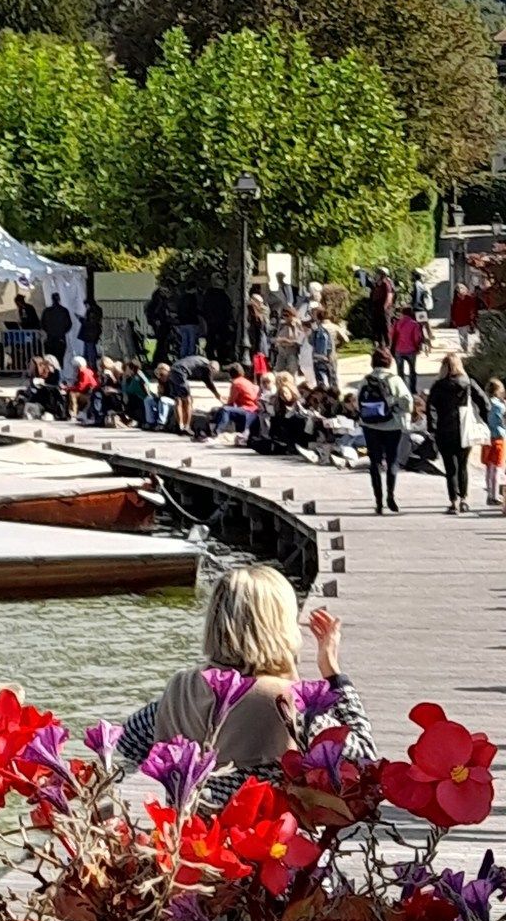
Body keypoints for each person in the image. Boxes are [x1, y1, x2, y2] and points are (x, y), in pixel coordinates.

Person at [116, 566, 376, 809]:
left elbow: (126, 748)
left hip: (190, 845)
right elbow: (364, 757)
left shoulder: (180, 692)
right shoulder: (289, 704)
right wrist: (333, 673)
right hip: (273, 847)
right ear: (281, 627)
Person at [427, 349, 490, 514]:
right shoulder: (468, 383)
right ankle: (464, 499)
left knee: (450, 468)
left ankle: (453, 501)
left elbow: (431, 407)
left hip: (444, 428)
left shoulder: (438, 386)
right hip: (464, 427)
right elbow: (484, 402)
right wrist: (483, 418)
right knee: (463, 466)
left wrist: (432, 427)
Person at [355, 345, 412, 515]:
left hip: (370, 425)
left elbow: (359, 401)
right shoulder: (395, 380)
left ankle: (378, 500)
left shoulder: (366, 380)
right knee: (392, 460)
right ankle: (391, 495)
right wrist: (393, 402)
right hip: (392, 424)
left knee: (375, 462)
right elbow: (407, 404)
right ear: (389, 362)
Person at [214, 363, 261, 440]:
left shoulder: (236, 383)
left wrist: (223, 402)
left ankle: (217, 432)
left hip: (248, 409)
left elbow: (231, 402)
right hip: (253, 410)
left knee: (225, 410)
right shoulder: (246, 381)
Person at [390, 305, 430, 395]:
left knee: (400, 371)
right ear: (411, 313)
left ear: (402, 313)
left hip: (399, 350)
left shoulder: (397, 323)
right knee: (412, 371)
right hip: (411, 350)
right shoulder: (414, 324)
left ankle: (402, 389)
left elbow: (392, 335)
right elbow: (417, 338)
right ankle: (412, 389)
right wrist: (417, 347)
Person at [483, 377, 506, 508]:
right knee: (497, 467)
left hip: (486, 437)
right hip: (498, 437)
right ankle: (495, 495)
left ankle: (489, 494)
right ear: (498, 390)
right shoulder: (499, 405)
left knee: (488, 467)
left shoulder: (485, 403)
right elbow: (502, 421)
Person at [202, 279, 234, 366]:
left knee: (211, 340)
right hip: (222, 321)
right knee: (222, 341)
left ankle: (210, 357)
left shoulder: (208, 295)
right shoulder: (224, 295)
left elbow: (204, 308)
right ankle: (222, 358)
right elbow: (228, 309)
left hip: (211, 321)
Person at [307, 307, 338, 394]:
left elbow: (319, 346)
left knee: (322, 383)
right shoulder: (328, 327)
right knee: (333, 381)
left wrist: (318, 357)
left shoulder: (321, 330)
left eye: (313, 314)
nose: (311, 316)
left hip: (322, 360)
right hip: (331, 358)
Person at [145, 282, 174, 366]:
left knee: (162, 342)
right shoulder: (158, 300)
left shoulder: (157, 299)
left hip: (160, 323)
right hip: (161, 324)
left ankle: (160, 359)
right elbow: (158, 311)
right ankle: (159, 359)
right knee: (162, 342)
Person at [369, 266, 395, 355]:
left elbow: (389, 296)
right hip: (377, 308)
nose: (376, 275)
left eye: (378, 273)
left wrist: (384, 307)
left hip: (384, 310)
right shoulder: (377, 283)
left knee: (386, 328)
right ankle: (381, 346)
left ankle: (389, 346)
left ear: (382, 274)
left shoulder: (386, 283)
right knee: (378, 328)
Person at [39, 293, 72, 364]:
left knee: (50, 360)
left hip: (50, 338)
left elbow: (42, 324)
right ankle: (59, 373)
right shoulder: (64, 310)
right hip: (60, 338)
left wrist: (48, 331)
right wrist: (62, 332)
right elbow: (69, 324)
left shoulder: (47, 311)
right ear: (59, 299)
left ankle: (52, 373)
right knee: (59, 360)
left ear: (52, 299)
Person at [450, 280, 481, 357]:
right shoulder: (456, 299)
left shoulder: (469, 298)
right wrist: (453, 319)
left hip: (467, 319)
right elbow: (453, 309)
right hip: (459, 319)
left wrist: (473, 317)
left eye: (461, 289)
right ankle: (463, 346)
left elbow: (473, 308)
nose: (460, 292)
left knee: (466, 334)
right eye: (458, 290)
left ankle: (466, 347)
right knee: (461, 334)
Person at [175, 283, 201, 359]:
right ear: (193, 289)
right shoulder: (193, 298)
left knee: (184, 341)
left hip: (182, 322)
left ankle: (182, 356)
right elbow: (194, 310)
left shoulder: (182, 298)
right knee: (191, 341)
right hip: (191, 322)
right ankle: (190, 356)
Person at [78, 297, 104, 370]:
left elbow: (89, 323)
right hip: (93, 334)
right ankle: (91, 366)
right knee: (91, 350)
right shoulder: (97, 310)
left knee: (90, 352)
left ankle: (91, 367)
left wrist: (81, 319)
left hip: (89, 334)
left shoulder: (91, 311)